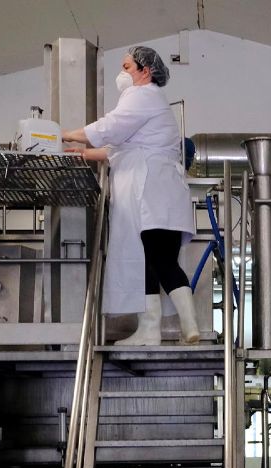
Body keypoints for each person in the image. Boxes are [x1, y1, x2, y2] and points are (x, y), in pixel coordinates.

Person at [62, 46, 198, 345]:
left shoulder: (142, 95)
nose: (121, 74)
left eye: (126, 67)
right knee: (152, 261)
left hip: (150, 193)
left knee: (155, 258)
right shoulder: (148, 102)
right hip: (158, 194)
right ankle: (166, 328)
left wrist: (66, 133)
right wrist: (84, 153)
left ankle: (175, 327)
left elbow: (110, 128)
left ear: (145, 71)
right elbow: (120, 147)